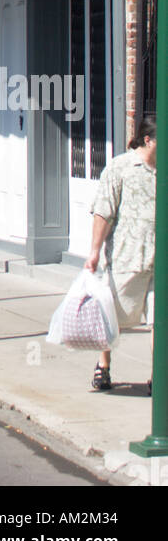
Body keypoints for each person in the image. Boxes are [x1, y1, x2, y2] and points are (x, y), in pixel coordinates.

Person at [85, 117, 156, 392]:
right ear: (148, 140)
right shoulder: (120, 167)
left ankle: (157, 375)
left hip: (159, 262)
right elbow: (103, 211)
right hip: (127, 258)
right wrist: (93, 252)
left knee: (160, 321)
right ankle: (103, 365)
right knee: (111, 318)